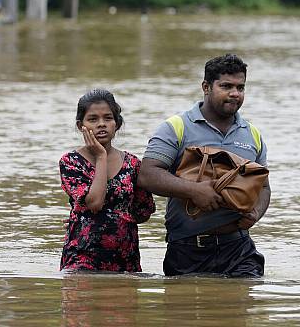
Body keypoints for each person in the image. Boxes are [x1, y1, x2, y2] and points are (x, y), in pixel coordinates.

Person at [138, 54, 271, 277]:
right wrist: (194, 191)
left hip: (239, 249)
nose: (235, 93)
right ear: (206, 87)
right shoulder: (176, 127)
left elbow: (264, 187)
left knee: (243, 308)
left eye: (240, 87)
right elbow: (147, 174)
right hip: (187, 249)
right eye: (226, 86)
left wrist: (255, 213)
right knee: (187, 310)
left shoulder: (252, 134)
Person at [59, 89, 156, 272]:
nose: (101, 124)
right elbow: (94, 203)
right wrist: (101, 157)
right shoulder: (71, 162)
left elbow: (143, 212)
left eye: (108, 118)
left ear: (117, 124)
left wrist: (112, 220)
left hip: (125, 258)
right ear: (81, 126)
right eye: (93, 119)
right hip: (82, 256)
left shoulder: (133, 164)